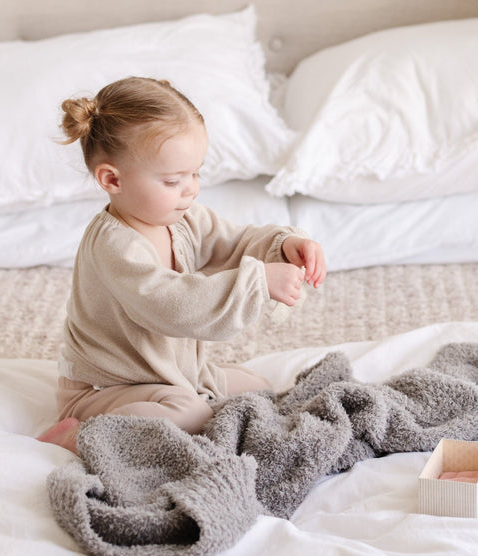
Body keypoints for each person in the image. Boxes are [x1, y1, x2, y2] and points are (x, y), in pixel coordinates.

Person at [37, 76, 326, 455]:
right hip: (109, 387)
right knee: (189, 414)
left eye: (196, 173)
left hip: (174, 372)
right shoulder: (115, 246)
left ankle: (189, 393)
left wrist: (283, 245)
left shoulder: (181, 218)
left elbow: (234, 242)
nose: (191, 189)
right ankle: (80, 436)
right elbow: (170, 304)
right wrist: (257, 282)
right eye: (173, 180)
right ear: (112, 179)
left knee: (259, 388)